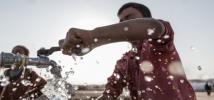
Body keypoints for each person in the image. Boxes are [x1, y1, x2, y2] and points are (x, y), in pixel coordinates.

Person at [59, 2, 196, 100]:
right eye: (121, 22)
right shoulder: (124, 62)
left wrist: (94, 36)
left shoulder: (160, 45)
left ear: (146, 18)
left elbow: (153, 26)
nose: (123, 24)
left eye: (129, 19)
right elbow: (109, 95)